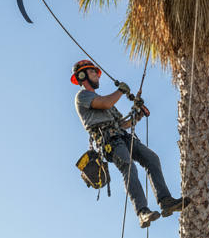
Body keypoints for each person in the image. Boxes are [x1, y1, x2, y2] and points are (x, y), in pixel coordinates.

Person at [71, 59, 186, 229]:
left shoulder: (106, 103)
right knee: (129, 167)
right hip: (109, 142)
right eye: (92, 72)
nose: (97, 75)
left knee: (151, 158)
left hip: (121, 136)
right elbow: (105, 103)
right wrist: (120, 91)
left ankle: (165, 201)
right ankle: (142, 212)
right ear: (82, 76)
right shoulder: (82, 96)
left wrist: (136, 114)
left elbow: (123, 124)